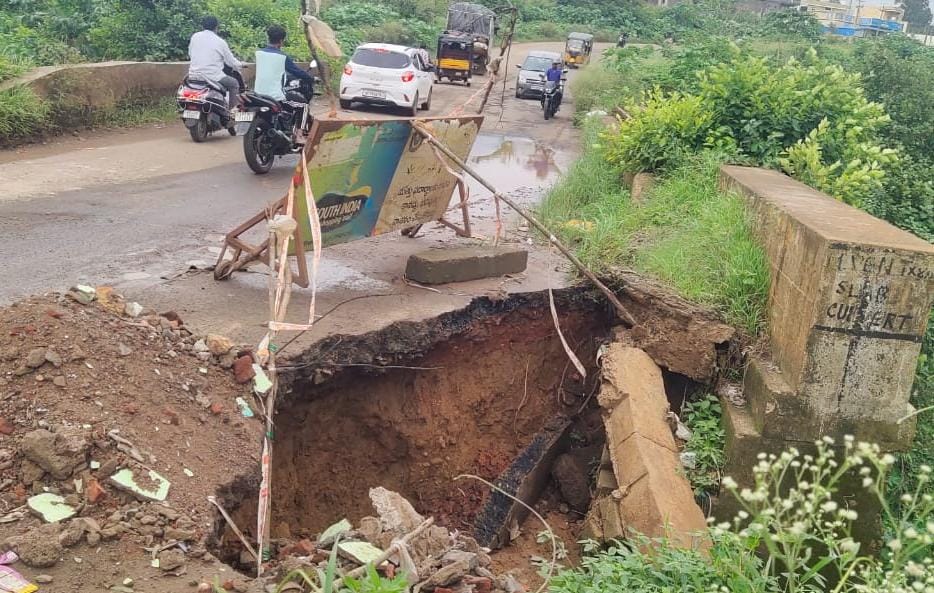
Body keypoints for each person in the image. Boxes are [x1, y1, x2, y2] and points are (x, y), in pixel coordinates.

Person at [187, 15, 243, 112]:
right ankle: (232, 113)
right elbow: (231, 62)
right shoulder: (220, 42)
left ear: (203, 26)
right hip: (213, 77)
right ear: (216, 27)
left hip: (194, 75)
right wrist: (241, 65)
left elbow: (190, 53)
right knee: (234, 83)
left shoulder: (195, 37)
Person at [258, 24, 314, 88]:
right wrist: (312, 79)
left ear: (268, 38)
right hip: (276, 95)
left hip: (258, 92)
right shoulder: (282, 57)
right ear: (281, 41)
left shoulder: (259, 53)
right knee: (298, 97)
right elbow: (297, 71)